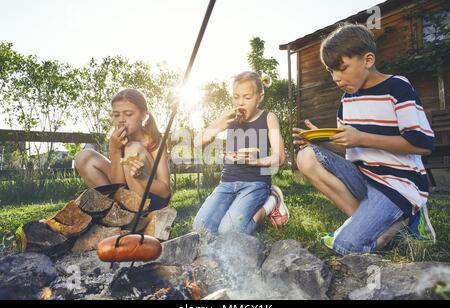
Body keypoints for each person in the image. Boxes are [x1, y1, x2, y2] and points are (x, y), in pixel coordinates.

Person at [293, 23, 436, 256]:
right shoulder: (347, 100)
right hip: (363, 177)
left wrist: (361, 137)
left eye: (342, 68)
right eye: (331, 71)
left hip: (397, 185)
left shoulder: (397, 88)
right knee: (306, 157)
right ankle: (370, 224)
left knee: (346, 247)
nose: (336, 78)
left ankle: (408, 222)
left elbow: (423, 144)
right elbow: (348, 145)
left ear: (367, 60)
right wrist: (318, 141)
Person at [193, 71, 287, 235]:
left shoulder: (268, 117)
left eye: (247, 97)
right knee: (200, 228)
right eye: (236, 97)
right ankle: (234, 208)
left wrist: (255, 161)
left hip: (255, 183)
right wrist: (218, 123)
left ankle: (270, 203)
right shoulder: (229, 117)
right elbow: (196, 141)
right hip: (227, 183)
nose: (240, 102)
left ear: (260, 97)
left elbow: (280, 157)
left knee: (229, 231)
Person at [74, 88, 171, 212]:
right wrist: (114, 149)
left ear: (144, 115)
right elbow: (118, 184)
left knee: (133, 148)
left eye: (128, 114)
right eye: (116, 115)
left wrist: (142, 177)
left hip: (152, 199)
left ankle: (139, 215)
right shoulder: (117, 140)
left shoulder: (154, 141)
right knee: (84, 157)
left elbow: (165, 192)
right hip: (124, 196)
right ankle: (113, 210)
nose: (121, 119)